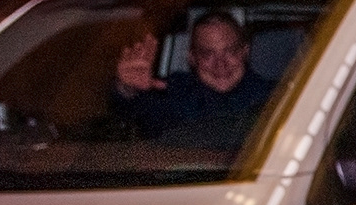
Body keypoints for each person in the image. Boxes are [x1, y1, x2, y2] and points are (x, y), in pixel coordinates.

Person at [112, 15, 273, 147]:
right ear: (192, 58)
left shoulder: (279, 98)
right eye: (207, 54)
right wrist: (127, 89)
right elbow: (131, 113)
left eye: (230, 51)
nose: (220, 64)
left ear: (245, 52)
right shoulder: (172, 93)